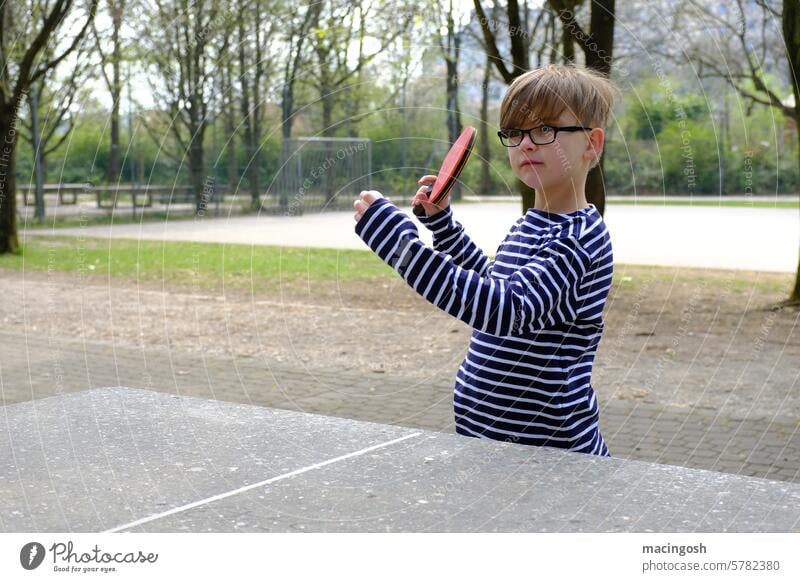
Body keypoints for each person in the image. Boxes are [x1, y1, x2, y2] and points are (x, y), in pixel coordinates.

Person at [353, 64, 618, 456]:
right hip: (491, 446)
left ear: (591, 144)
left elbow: (504, 310)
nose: (525, 143)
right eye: (514, 132)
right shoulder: (531, 225)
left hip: (551, 458)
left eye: (545, 129)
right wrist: (443, 226)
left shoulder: (579, 240)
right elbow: (493, 282)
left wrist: (403, 248)